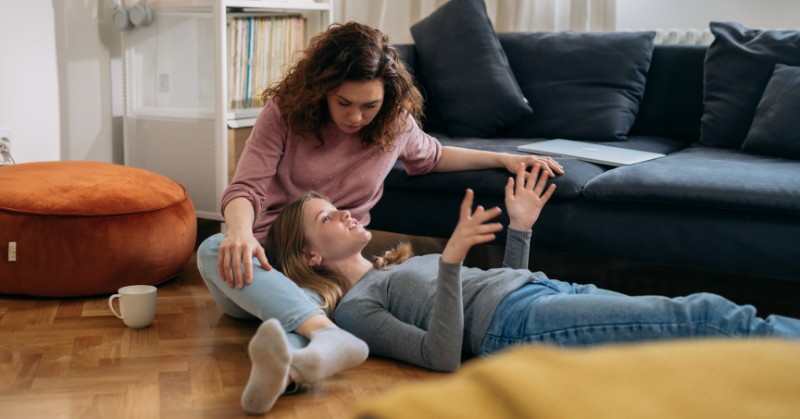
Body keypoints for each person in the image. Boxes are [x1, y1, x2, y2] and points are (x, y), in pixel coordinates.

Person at [196, 21, 563, 414]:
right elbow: (245, 188)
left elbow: (433, 156)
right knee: (212, 248)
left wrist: (505, 158)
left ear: (386, 99)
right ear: (322, 89)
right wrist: (239, 233)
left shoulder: (394, 122)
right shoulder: (285, 112)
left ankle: (292, 367)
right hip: (264, 262)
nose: (356, 117)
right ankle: (325, 334)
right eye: (344, 103)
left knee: (311, 307)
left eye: (369, 106)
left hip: (330, 277)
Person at [263, 162, 800, 377]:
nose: (347, 212)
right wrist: (451, 263)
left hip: (540, 294)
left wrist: (520, 230)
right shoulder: (357, 309)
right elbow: (443, 355)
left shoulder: (400, 262)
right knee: (704, 316)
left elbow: (502, 284)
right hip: (521, 324)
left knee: (696, 335)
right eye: (328, 217)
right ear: (311, 256)